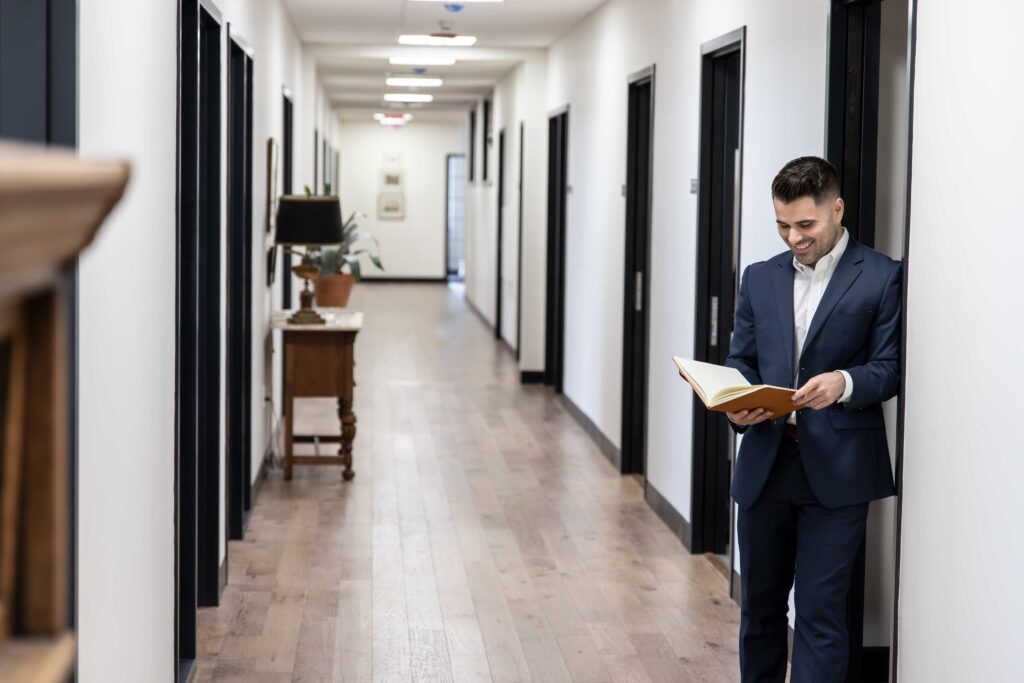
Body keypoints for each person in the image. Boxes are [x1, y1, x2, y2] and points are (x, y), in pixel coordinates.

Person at [725, 156, 901, 682]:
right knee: (759, 612)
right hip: (765, 465)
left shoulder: (882, 276)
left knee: (821, 615)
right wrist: (738, 401)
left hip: (840, 472)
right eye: (782, 225)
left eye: (806, 225)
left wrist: (844, 383)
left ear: (837, 209)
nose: (793, 238)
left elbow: (889, 369)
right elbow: (742, 359)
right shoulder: (758, 278)